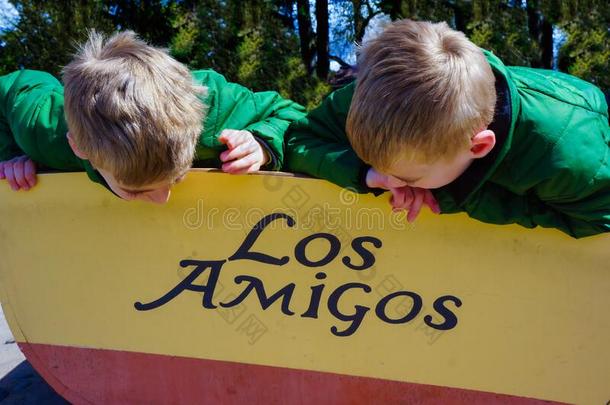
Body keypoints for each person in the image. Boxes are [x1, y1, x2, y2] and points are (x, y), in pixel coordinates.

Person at [286, 19, 610, 238]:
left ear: (478, 146)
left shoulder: (563, 155)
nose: (394, 183)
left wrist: (456, 198)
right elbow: (301, 137)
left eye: (408, 177)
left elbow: (598, 220)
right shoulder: (379, 95)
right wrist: (367, 174)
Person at [0, 30, 305, 203]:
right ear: (80, 148)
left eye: (177, 176)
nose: (164, 199)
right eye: (136, 190)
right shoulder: (43, 127)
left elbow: (294, 116)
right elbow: (8, 89)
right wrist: (11, 152)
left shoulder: (214, 106)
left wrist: (262, 142)